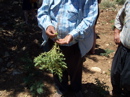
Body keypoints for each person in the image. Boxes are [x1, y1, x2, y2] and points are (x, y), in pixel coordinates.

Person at [37, 0, 98, 97]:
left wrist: (72, 35)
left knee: (75, 68)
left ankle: (76, 89)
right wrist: (47, 25)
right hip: (54, 41)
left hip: (75, 42)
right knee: (57, 66)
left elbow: (89, 19)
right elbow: (43, 12)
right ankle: (61, 89)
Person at [111, 0, 130, 97]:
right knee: (115, 75)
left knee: (127, 82)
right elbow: (119, 16)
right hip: (123, 48)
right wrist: (116, 32)